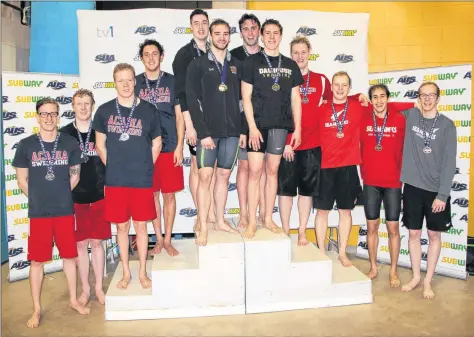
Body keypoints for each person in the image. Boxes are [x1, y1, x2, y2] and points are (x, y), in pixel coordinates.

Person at [13, 97, 89, 328]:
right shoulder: (26, 145)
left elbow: (75, 175)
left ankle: (74, 300)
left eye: (53, 113)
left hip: (64, 210)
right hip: (39, 213)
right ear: (37, 117)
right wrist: (39, 198)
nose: (49, 118)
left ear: (58, 116)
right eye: (44, 114)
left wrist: (61, 194)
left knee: (69, 257)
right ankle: (36, 309)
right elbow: (21, 180)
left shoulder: (69, 143)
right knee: (37, 261)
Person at [93, 63, 162, 290]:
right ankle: (125, 272)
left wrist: (143, 166)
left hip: (141, 181)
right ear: (115, 83)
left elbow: (157, 143)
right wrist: (114, 167)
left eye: (129, 79)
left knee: (141, 228)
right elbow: (100, 146)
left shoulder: (149, 110)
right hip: (116, 181)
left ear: (135, 81)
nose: (125, 84)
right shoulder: (103, 111)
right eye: (120, 80)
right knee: (122, 228)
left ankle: (142, 272)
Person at [241, 19, 303, 238]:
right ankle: (251, 221)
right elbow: (245, 98)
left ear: (281, 35)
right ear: (261, 35)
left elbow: (296, 99)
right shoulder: (251, 62)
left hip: (280, 126)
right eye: (267, 33)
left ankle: (267, 218)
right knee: (255, 172)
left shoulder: (290, 65)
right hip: (257, 127)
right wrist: (252, 127)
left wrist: (298, 129)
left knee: (272, 171)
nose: (271, 37)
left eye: (275, 33)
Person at [186, 18, 242, 246]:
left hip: (232, 133)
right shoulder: (197, 65)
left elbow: (242, 100)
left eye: (225, 33)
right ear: (210, 36)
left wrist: (243, 130)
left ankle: (219, 220)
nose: (221, 37)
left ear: (230, 36)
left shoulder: (237, 65)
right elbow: (192, 99)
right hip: (208, 133)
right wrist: (202, 132)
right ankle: (203, 225)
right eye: (217, 33)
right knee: (205, 176)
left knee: (224, 176)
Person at [400, 82, 456, 299]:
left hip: (435, 192)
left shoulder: (448, 125)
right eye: (423, 95)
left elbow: (449, 163)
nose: (427, 99)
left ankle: (427, 281)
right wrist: (365, 100)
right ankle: (415, 276)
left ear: (438, 98)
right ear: (418, 98)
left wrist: (443, 195)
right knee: (414, 234)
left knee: (433, 235)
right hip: (412, 187)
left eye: (432, 95)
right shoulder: (410, 117)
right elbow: (385, 109)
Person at [60, 89, 110, 306]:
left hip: (99, 195)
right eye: (79, 103)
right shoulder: (64, 134)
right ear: (72, 106)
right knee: (81, 245)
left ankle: (99, 287)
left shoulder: (101, 130)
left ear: (92, 106)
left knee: (97, 243)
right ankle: (86, 289)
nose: (83, 107)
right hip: (75, 197)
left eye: (87, 103)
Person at [135, 39, 184, 257]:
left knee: (170, 196)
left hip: (170, 146)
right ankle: (157, 239)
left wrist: (180, 146)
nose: (151, 58)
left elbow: (180, 117)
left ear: (161, 56)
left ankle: (168, 238)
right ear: (142, 58)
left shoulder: (173, 81)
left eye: (155, 53)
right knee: (153, 196)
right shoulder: (134, 83)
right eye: (147, 54)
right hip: (146, 150)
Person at [313, 71, 365, 267]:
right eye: (337, 85)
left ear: (349, 88)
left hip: (348, 168)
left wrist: (413, 105)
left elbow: (385, 107)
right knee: (322, 211)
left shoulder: (358, 107)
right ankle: (320, 250)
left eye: (344, 85)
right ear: (331, 87)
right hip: (325, 167)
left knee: (345, 211)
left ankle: (342, 252)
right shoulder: (322, 108)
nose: (340, 88)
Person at [172, 8, 216, 229]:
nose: (200, 27)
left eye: (204, 22)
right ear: (191, 27)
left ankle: (208, 213)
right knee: (197, 168)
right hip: (195, 120)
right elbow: (181, 94)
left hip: (215, 120)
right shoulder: (183, 55)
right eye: (196, 23)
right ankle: (201, 216)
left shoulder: (215, 51)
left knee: (211, 169)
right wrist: (189, 126)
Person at [360, 84, 407, 286]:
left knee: (393, 228)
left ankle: (394, 270)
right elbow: (346, 100)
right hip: (370, 181)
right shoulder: (363, 117)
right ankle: (373, 266)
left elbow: (413, 104)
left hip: (393, 182)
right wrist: (360, 98)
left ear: (388, 98)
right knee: (372, 227)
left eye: (382, 97)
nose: (379, 101)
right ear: (370, 100)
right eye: (374, 97)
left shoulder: (400, 118)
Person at [230, 13, 267, 230]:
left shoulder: (268, 55)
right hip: (240, 120)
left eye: (254, 28)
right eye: (246, 28)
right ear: (241, 32)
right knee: (244, 166)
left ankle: (261, 213)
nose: (250, 32)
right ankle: (244, 213)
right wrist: (244, 125)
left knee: (260, 168)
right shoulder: (232, 56)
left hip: (264, 119)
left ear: (259, 31)